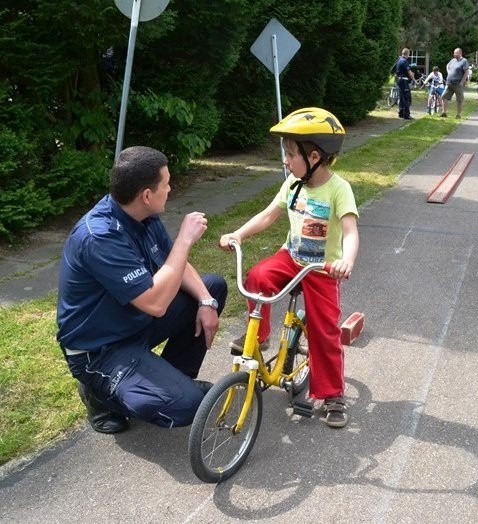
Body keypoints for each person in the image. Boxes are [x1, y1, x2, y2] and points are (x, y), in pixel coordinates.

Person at [56, 146, 228, 434]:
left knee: (211, 287)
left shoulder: (141, 214)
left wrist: (207, 302)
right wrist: (185, 240)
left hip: (132, 323)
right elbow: (156, 304)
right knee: (187, 406)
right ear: (147, 195)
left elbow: (173, 261)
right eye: (166, 183)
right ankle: (98, 395)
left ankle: (175, 378)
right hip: (100, 349)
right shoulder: (99, 237)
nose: (170, 188)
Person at [219, 107, 359, 429]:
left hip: (321, 269)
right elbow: (268, 215)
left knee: (324, 331)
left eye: (290, 154)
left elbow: (350, 231)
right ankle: (262, 335)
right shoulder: (293, 185)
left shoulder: (339, 189)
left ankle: (333, 395)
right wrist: (238, 233)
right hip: (291, 258)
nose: (285, 161)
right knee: (257, 276)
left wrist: (345, 260)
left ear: (313, 157)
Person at [441, 47, 469, 119]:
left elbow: (466, 72)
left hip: (457, 84)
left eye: (455, 53)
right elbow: (447, 65)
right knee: (444, 97)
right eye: (454, 53)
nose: (454, 54)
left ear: (460, 53)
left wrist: (462, 82)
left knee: (459, 100)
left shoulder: (464, 61)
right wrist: (449, 72)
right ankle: (444, 113)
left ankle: (458, 114)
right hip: (449, 83)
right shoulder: (453, 60)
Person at [394, 48, 414, 119]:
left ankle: (401, 113)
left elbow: (395, 71)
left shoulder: (399, 60)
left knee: (402, 97)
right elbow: (409, 72)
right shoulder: (405, 61)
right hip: (404, 81)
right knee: (407, 97)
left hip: (399, 81)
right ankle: (406, 115)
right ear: (408, 53)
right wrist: (413, 78)